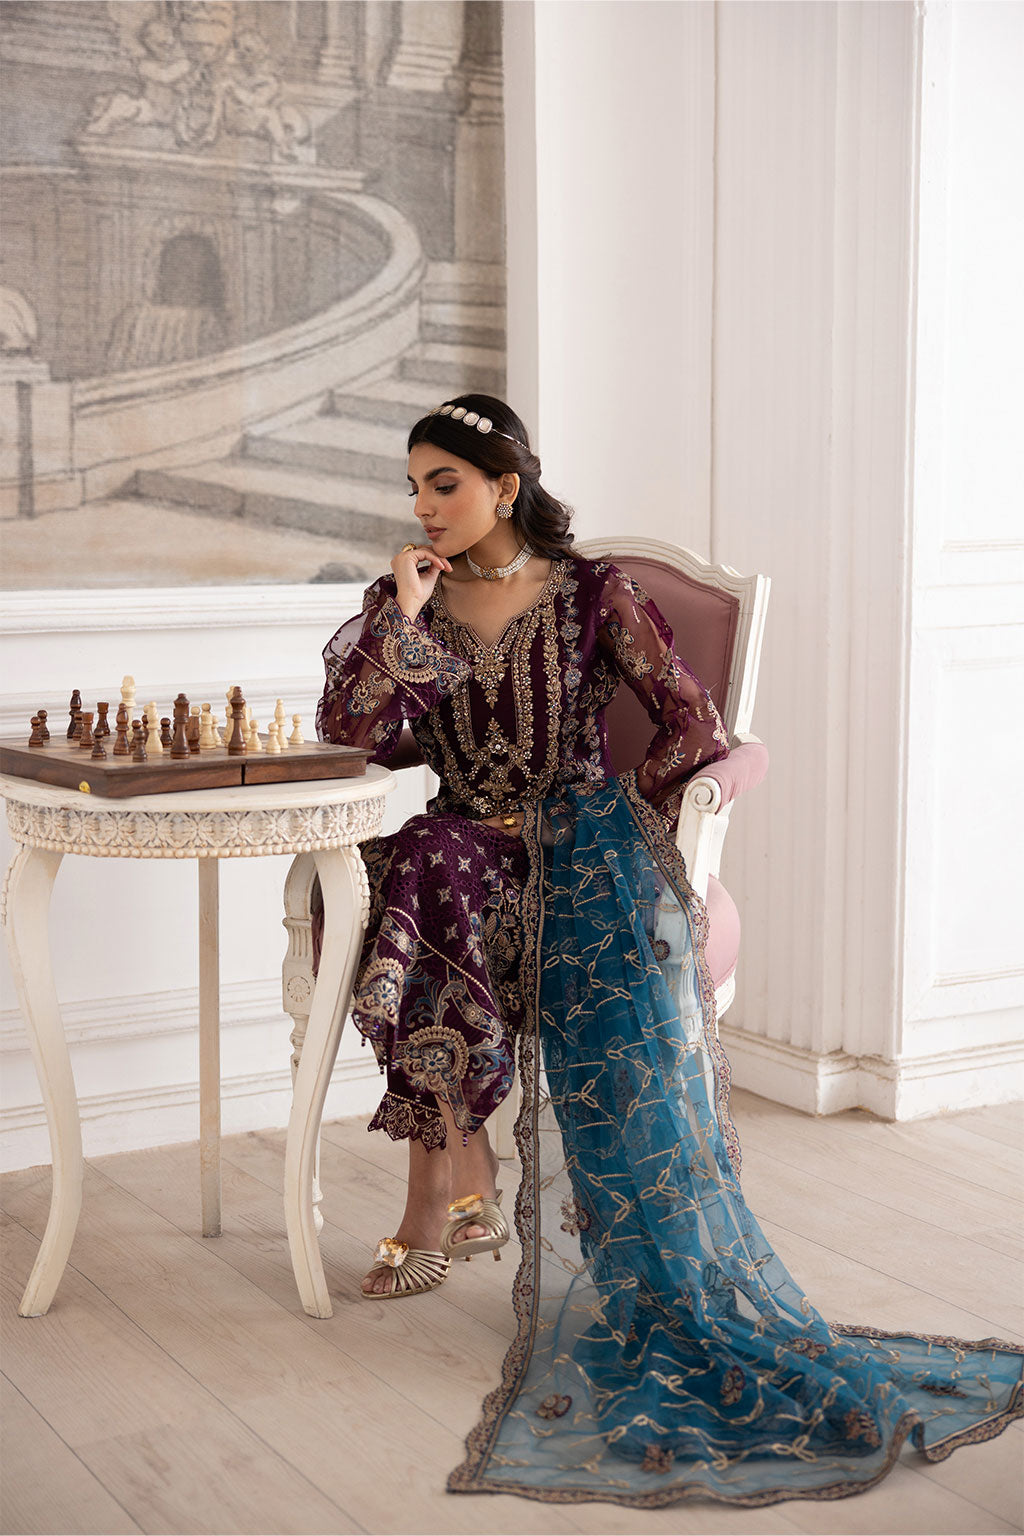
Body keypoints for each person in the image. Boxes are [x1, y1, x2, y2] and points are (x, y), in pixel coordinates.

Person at [317, 395, 1023, 1507]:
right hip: (462, 849)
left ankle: (449, 1188)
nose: (424, 508)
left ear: (505, 485)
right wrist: (402, 616)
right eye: (413, 489)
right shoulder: (407, 603)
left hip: (574, 846)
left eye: (444, 484)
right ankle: (456, 1167)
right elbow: (350, 734)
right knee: (422, 859)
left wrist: (628, 834)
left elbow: (694, 726)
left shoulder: (593, 593)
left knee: (424, 874)